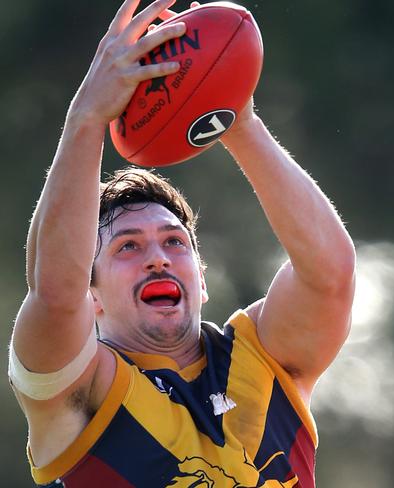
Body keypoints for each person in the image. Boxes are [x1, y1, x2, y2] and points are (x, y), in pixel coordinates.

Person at [7, 1, 355, 486]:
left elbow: (330, 274)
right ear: (93, 297)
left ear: (202, 279)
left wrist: (240, 124)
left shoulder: (263, 358)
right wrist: (86, 119)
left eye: (175, 242)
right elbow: (55, 292)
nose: (157, 258)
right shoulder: (84, 390)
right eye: (127, 247)